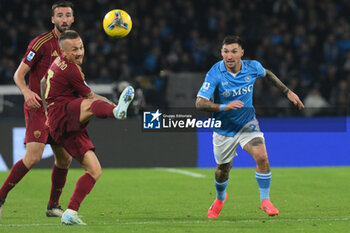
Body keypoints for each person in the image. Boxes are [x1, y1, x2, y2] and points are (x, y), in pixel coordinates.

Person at [196, 35, 304, 218]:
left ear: (241, 53)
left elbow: (267, 74)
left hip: (247, 123)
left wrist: (287, 91)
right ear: (221, 53)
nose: (229, 56)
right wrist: (224, 107)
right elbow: (199, 103)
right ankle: (220, 198)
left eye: (234, 51)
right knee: (223, 169)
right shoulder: (215, 72)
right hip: (224, 129)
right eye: (226, 51)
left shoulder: (252, 67)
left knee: (262, 157)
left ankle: (265, 200)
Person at [42, 29, 134, 225]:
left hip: (66, 123)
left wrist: (46, 110)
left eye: (81, 47)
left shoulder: (60, 63)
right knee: (90, 104)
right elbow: (91, 98)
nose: (80, 52)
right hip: (63, 115)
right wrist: (111, 106)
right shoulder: (70, 69)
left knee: (94, 170)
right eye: (74, 49)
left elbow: (43, 82)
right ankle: (117, 112)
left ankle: (70, 212)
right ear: (63, 53)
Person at [0, 1, 75, 219]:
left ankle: (53, 206)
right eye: (59, 15)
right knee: (33, 157)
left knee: (65, 159)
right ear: (53, 19)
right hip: (38, 107)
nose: (63, 19)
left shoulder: (73, 45)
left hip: (59, 110)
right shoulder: (41, 43)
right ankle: (1, 196)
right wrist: (26, 93)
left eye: (67, 15)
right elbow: (18, 74)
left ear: (72, 19)